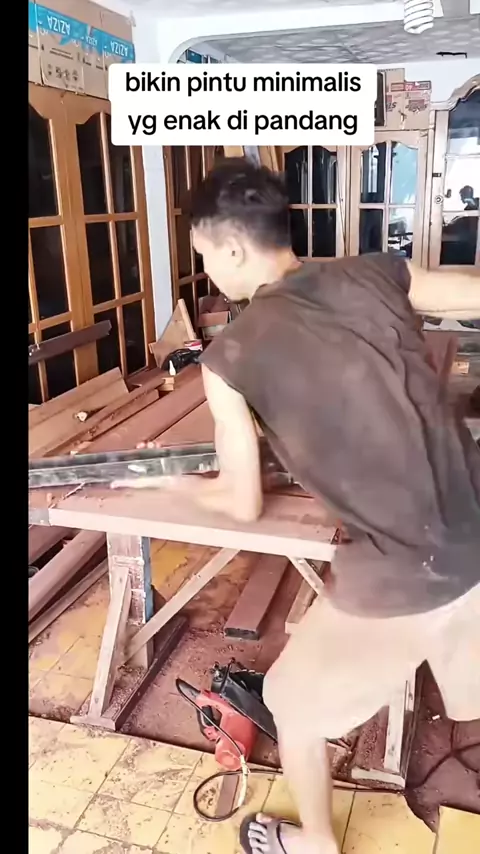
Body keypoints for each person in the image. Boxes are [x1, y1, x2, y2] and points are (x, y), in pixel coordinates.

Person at [127, 160, 480, 854]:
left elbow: (242, 502)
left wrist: (165, 484)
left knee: (290, 701)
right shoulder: (373, 272)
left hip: (408, 567)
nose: (208, 272)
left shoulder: (230, 358)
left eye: (204, 256)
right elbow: (470, 289)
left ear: (232, 248)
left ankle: (316, 841)